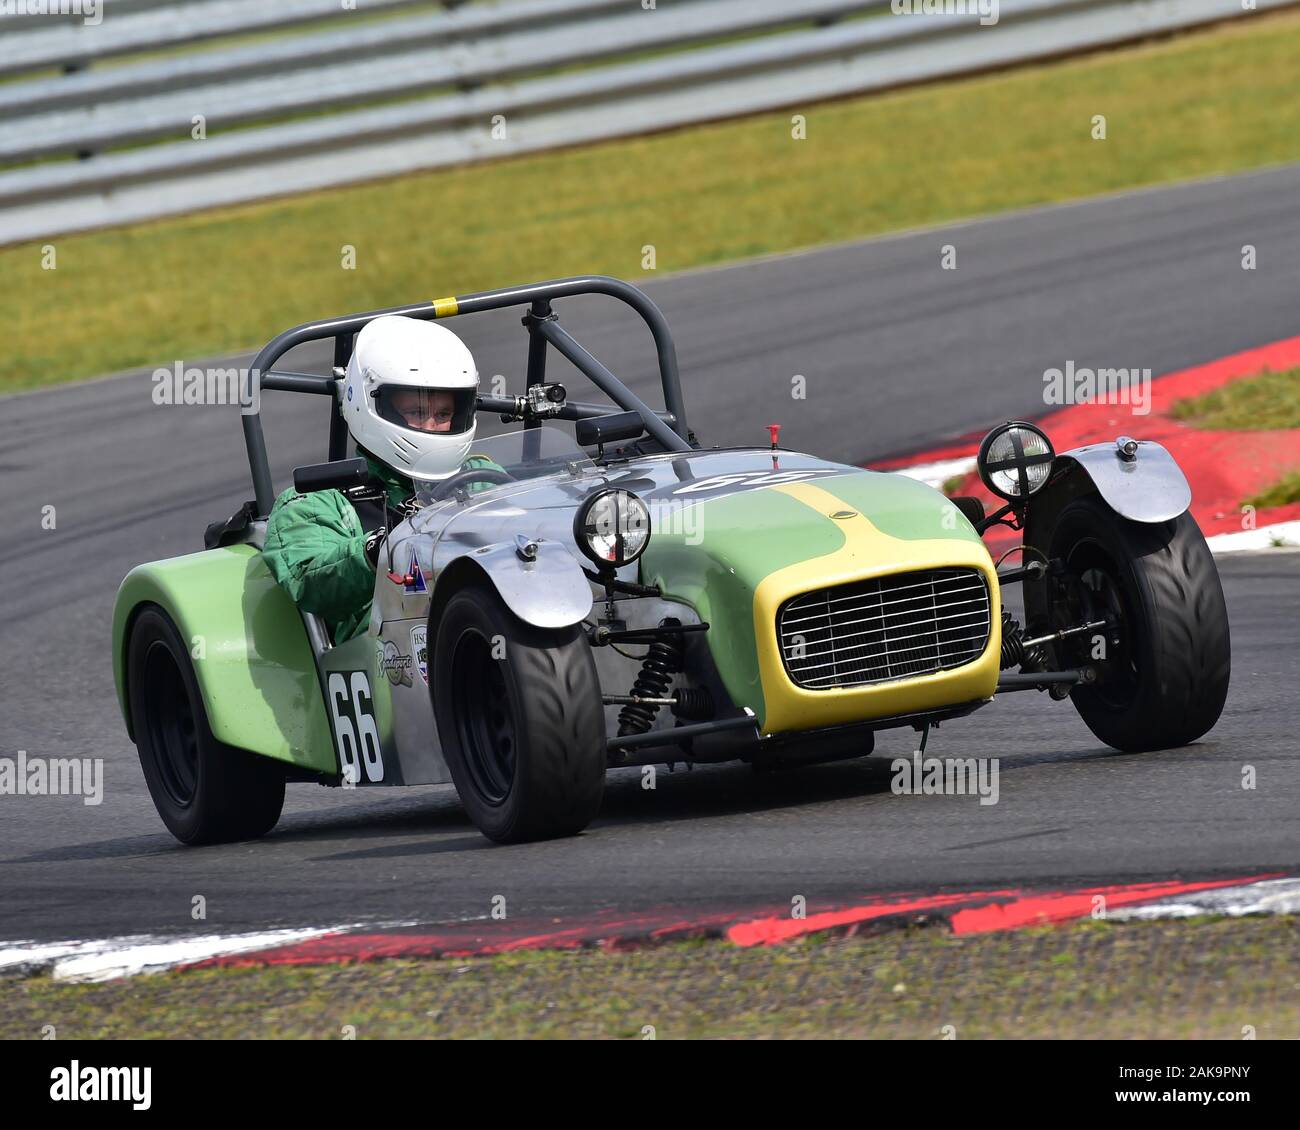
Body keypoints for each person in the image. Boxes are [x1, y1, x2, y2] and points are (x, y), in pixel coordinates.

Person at [263, 315, 500, 642]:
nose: (432, 426)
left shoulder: (480, 477)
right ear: (370, 404)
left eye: (443, 414)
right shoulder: (317, 500)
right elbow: (309, 579)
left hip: (485, 628)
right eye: (417, 412)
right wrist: (379, 549)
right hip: (383, 654)